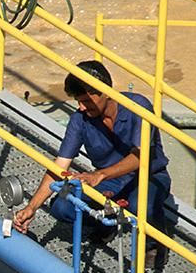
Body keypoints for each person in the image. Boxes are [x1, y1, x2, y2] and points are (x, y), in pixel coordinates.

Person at [12, 60, 172, 242]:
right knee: (61, 206)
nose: (81, 107)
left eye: (87, 101)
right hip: (109, 183)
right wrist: (32, 207)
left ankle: (155, 244)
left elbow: (139, 157)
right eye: (78, 101)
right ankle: (105, 224)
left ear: (105, 92)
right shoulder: (80, 120)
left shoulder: (137, 106)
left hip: (147, 176)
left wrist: (99, 175)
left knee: (142, 207)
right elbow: (60, 164)